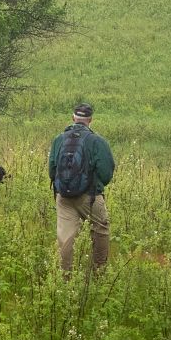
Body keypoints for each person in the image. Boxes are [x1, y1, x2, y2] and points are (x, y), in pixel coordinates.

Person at [48, 103, 115, 276]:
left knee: (65, 237)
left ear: (73, 119)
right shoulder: (97, 141)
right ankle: (99, 272)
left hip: (63, 197)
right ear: (90, 120)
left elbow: (52, 170)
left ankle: (64, 277)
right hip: (90, 196)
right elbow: (106, 172)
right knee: (101, 229)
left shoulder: (59, 139)